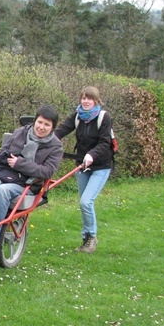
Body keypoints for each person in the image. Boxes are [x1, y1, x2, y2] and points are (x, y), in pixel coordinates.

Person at [0, 104, 63, 251]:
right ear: (35, 121)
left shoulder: (55, 147)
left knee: (2, 191)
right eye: (40, 122)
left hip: (27, 184)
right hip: (5, 174)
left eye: (47, 125)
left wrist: (20, 164)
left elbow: (48, 171)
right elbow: (1, 154)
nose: (41, 127)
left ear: (53, 127)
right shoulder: (20, 133)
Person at [55, 86, 113, 253]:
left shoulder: (104, 117)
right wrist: (45, 139)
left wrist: (92, 155)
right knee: (84, 204)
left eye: (89, 98)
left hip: (100, 166)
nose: (86, 101)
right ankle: (86, 238)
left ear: (96, 101)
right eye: (83, 98)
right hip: (82, 166)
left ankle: (91, 237)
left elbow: (104, 142)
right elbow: (61, 130)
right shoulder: (78, 116)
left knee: (85, 202)